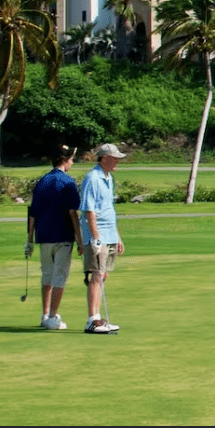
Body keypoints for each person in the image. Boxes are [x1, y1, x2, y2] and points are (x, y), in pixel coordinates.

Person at [25, 144, 83, 330]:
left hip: (43, 236)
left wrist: (30, 239)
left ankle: (46, 314)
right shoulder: (67, 182)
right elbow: (73, 213)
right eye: (71, 159)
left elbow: (32, 213)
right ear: (65, 160)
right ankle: (52, 317)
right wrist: (81, 241)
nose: (72, 162)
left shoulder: (42, 181)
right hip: (63, 237)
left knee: (47, 276)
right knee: (59, 277)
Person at [79, 143, 125, 334]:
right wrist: (96, 239)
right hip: (97, 235)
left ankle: (98, 318)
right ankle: (92, 320)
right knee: (97, 275)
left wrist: (118, 237)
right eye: (115, 158)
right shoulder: (92, 178)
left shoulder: (108, 177)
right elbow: (89, 211)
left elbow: (109, 210)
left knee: (103, 275)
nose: (117, 162)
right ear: (104, 158)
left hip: (109, 233)